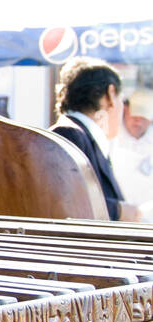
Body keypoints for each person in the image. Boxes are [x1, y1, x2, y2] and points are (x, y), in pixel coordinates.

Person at [49, 58, 138, 221]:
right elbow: (64, 203)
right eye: (121, 100)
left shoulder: (79, 135)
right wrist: (118, 211)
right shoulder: (69, 134)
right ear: (110, 94)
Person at [109, 87, 153, 219]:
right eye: (135, 115)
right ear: (125, 110)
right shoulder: (111, 137)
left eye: (143, 116)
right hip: (118, 214)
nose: (138, 121)